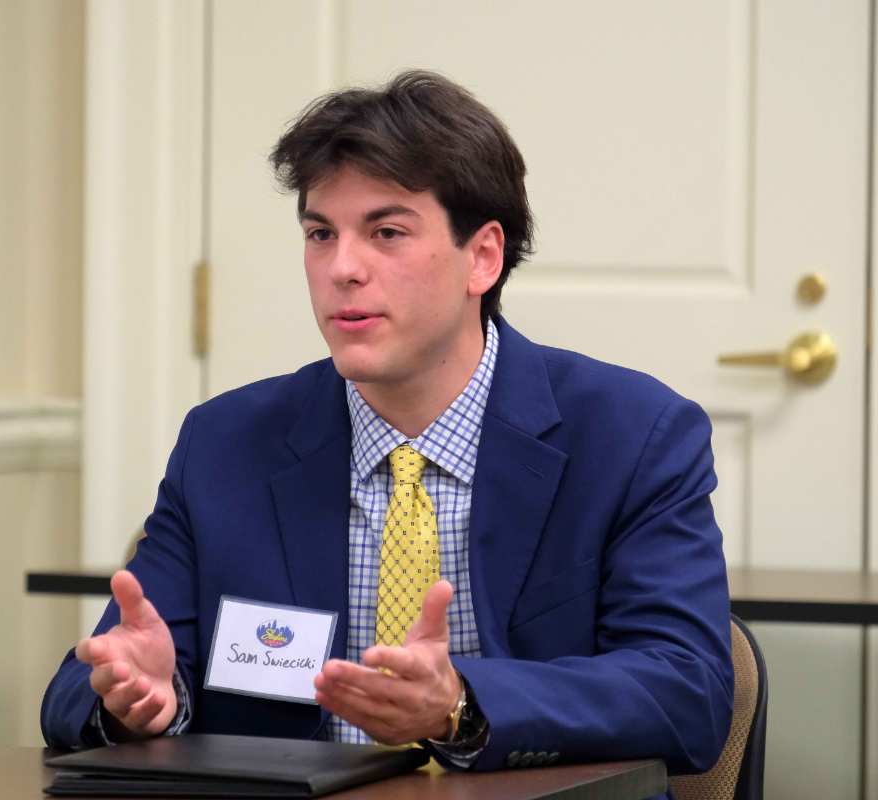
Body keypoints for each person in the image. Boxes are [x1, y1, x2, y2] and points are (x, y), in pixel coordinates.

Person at [41, 70, 733, 779]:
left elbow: (687, 693)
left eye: (387, 231)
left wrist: (461, 704)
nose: (342, 268)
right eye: (320, 234)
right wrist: (138, 699)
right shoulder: (227, 444)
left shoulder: (631, 436)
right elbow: (87, 685)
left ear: (483, 257)